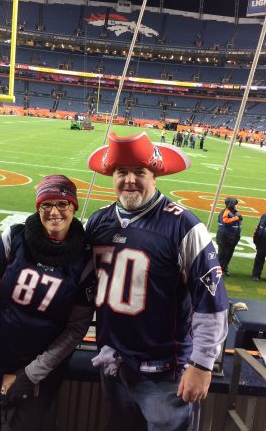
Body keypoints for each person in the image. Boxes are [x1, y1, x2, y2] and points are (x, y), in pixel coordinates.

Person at [86, 132, 229, 431]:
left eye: (140, 172)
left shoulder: (184, 225)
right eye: (121, 172)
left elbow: (211, 301)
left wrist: (202, 365)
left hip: (165, 372)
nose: (129, 180)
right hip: (114, 363)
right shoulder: (98, 221)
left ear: (155, 176)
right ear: (112, 175)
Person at [0, 175, 95, 431]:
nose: (54, 211)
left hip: (43, 365)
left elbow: (76, 329)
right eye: (46, 204)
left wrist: (30, 374)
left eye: (63, 203)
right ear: (38, 207)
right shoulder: (13, 237)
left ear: (74, 207)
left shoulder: (86, 259)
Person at [216, 197, 243, 277]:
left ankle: (224, 268)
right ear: (232, 204)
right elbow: (225, 222)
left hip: (232, 238)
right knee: (222, 255)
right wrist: (236, 218)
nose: (237, 206)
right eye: (236, 204)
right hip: (225, 238)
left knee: (228, 254)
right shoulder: (225, 212)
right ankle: (218, 270)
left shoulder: (233, 212)